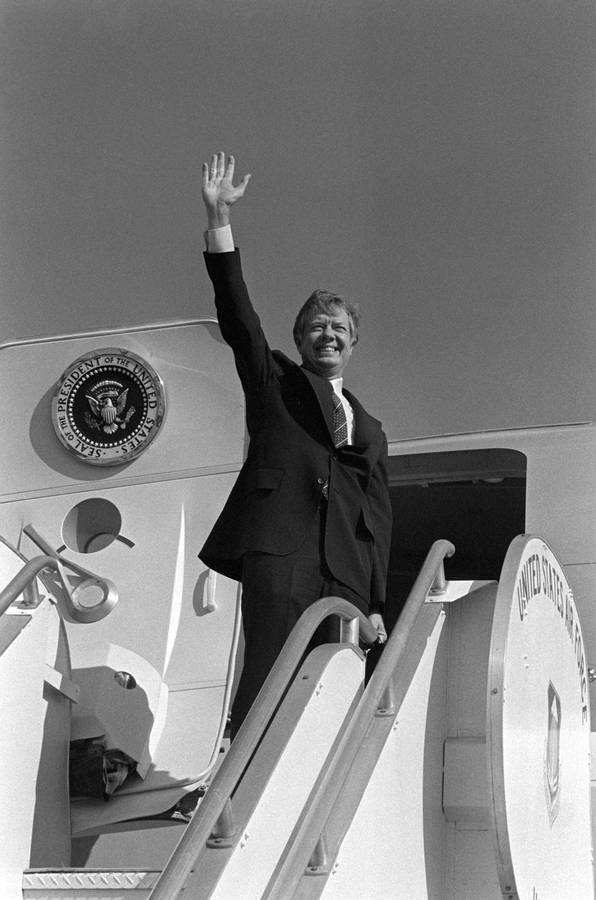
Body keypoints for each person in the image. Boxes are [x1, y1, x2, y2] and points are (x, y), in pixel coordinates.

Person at [199, 152, 393, 736]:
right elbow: (237, 315)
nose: (327, 334)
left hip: (347, 575)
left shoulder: (371, 429)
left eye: (339, 328)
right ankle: (244, 770)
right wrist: (218, 221)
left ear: (352, 344)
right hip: (281, 555)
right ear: (299, 338)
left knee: (335, 690)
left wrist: (378, 600)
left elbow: (378, 517)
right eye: (317, 326)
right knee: (270, 678)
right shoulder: (274, 382)